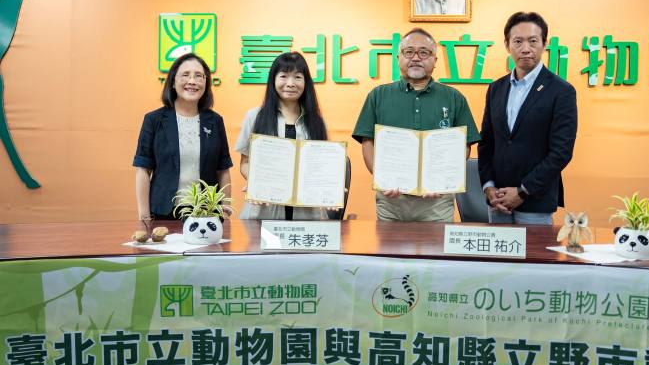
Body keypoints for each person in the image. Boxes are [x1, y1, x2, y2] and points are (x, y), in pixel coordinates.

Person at [353, 28, 480, 222]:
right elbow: (367, 142)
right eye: (409, 52)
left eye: (424, 52)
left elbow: (464, 145)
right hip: (391, 201)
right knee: (387, 252)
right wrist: (383, 179)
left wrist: (443, 180)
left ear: (435, 60)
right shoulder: (378, 96)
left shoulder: (454, 98)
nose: (416, 58)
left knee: (436, 252)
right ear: (398, 58)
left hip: (437, 201)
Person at [478, 11, 578, 225]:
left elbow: (561, 152)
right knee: (495, 259)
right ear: (507, 45)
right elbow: (486, 142)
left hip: (535, 201)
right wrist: (488, 186)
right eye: (517, 41)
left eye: (533, 41)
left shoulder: (561, 91)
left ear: (544, 44)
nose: (525, 49)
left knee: (533, 258)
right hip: (498, 201)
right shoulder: (496, 88)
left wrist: (523, 191)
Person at [133, 53, 233, 221]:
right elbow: (143, 169)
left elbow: (223, 170)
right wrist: (144, 215)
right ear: (173, 81)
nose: (192, 81)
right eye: (185, 75)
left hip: (206, 214)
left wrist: (225, 210)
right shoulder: (154, 120)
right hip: (163, 213)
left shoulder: (215, 121)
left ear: (206, 83)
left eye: (199, 76)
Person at [235, 51, 330, 220]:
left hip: (306, 213)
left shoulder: (317, 122)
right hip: (264, 208)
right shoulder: (255, 116)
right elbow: (245, 162)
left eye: (298, 77)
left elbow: (320, 167)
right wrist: (255, 181)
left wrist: (329, 186)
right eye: (284, 76)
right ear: (273, 80)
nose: (290, 83)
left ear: (306, 82)